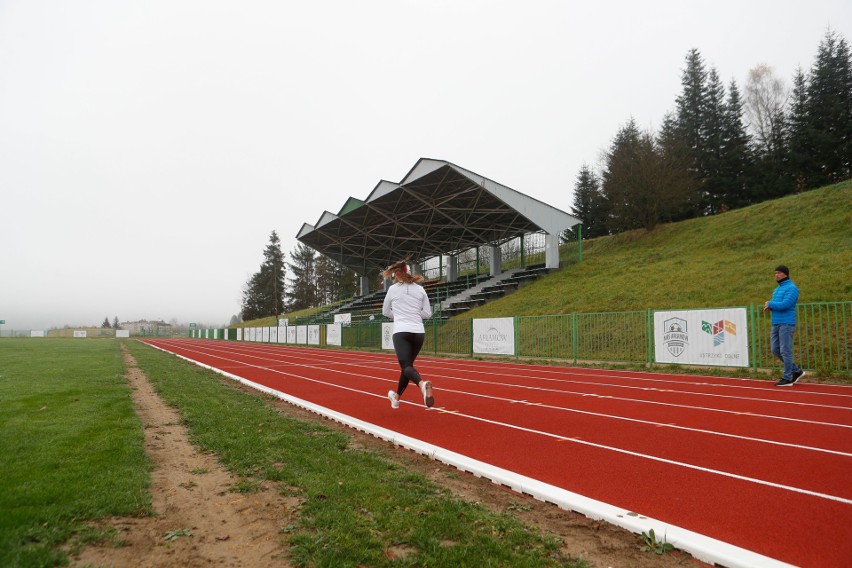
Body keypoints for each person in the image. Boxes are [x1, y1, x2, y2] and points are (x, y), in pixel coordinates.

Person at [382, 259, 435, 409]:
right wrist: (415, 314)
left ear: (397, 274)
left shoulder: (393, 289)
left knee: (406, 367)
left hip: (401, 331)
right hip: (418, 333)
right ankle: (396, 398)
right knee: (407, 367)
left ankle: (422, 384)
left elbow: (385, 311)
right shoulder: (420, 289)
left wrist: (398, 315)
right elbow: (427, 313)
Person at [764, 265, 805, 387]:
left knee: (785, 351)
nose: (776, 275)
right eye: (775, 273)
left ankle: (788, 377)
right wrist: (770, 306)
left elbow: (786, 304)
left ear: (785, 274)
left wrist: (770, 303)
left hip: (786, 323)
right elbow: (778, 305)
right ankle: (796, 371)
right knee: (775, 350)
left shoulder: (792, 288)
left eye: (779, 273)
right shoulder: (776, 290)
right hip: (776, 323)